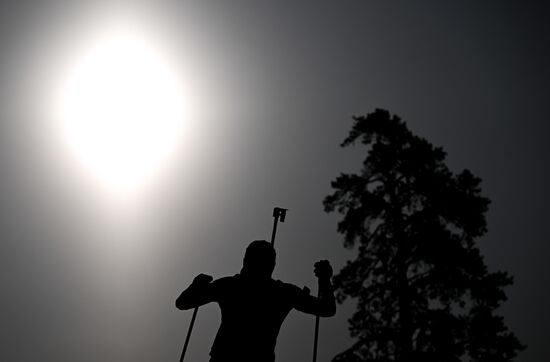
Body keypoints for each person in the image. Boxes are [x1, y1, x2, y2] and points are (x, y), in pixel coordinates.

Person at [175, 239, 336, 362]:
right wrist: (324, 280)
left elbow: (183, 303)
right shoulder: (283, 292)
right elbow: (327, 308)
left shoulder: (230, 285)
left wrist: (195, 285)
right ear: (272, 265)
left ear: (245, 260)